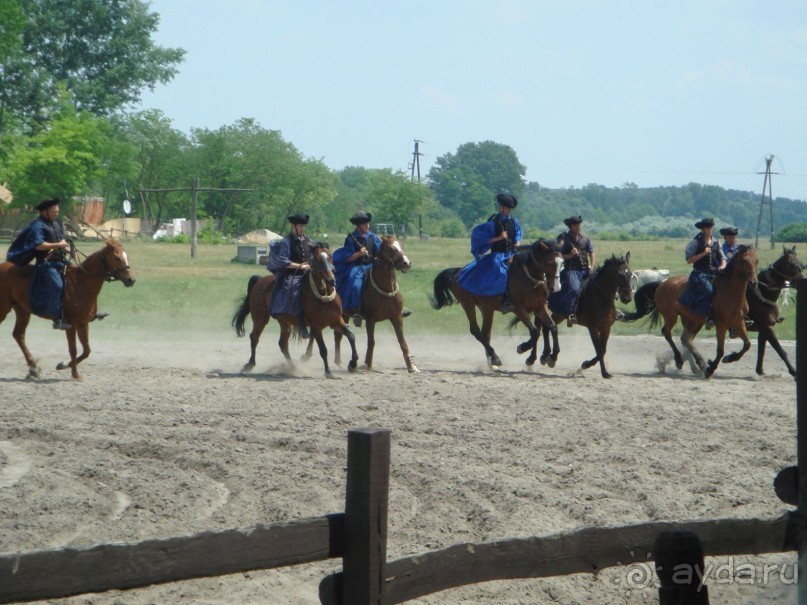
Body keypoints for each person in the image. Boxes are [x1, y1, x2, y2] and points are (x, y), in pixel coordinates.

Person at [6, 198, 73, 329]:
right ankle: (57, 318)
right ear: (45, 211)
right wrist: (58, 244)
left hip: (61, 262)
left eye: (58, 211)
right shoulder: (37, 226)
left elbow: (60, 242)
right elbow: (39, 245)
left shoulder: (55, 224)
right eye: (54, 211)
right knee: (57, 285)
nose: (57, 213)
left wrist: (69, 250)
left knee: (79, 279)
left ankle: (86, 311)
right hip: (46, 265)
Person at [455, 193, 522, 311]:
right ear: (501, 207)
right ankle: (503, 299)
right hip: (498, 255)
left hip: (512, 253)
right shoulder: (492, 223)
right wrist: (499, 238)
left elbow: (517, 236)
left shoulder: (514, 222)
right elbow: (479, 238)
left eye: (509, 209)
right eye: (506, 208)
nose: (508, 211)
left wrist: (517, 243)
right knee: (501, 272)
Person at [267, 213, 314, 338]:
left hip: (307, 273)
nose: (302, 229)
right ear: (293, 226)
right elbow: (283, 261)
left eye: (303, 226)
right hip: (291, 275)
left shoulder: (307, 240)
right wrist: (300, 266)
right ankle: (301, 325)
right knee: (294, 293)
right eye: (300, 226)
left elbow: (313, 254)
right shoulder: (286, 242)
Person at [679, 217, 727, 328]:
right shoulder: (695, 242)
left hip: (714, 273)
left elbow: (723, 258)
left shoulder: (716, 242)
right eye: (708, 227)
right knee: (708, 291)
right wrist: (703, 254)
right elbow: (689, 260)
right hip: (700, 274)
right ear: (703, 229)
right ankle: (706, 316)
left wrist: (722, 266)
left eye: (711, 227)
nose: (710, 229)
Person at [549, 215, 595, 326]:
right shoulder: (563, 239)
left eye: (579, 225)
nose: (579, 227)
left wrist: (592, 266)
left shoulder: (585, 239)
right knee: (574, 289)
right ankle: (571, 313)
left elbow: (591, 252)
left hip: (585, 269)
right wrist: (570, 255)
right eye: (576, 225)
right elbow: (558, 255)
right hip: (571, 270)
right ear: (570, 226)